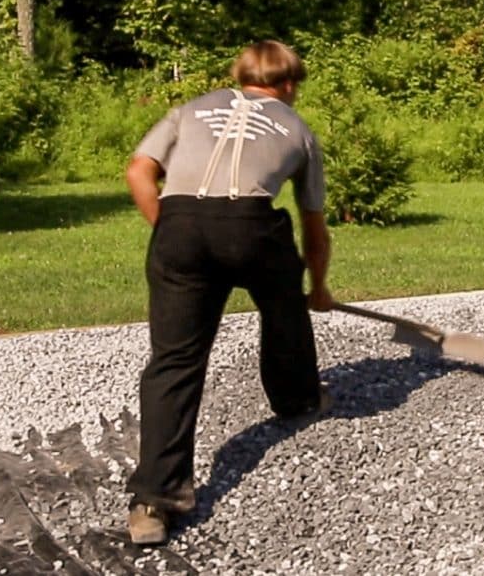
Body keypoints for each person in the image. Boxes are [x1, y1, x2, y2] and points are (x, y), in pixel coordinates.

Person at [123, 40, 335, 546]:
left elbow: (139, 170)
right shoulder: (297, 128)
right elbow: (313, 225)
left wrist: (171, 231)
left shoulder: (188, 109)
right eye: (295, 85)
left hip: (178, 227)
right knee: (283, 302)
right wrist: (317, 286)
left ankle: (153, 502)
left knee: (174, 360)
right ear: (286, 85)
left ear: (242, 77)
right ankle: (297, 397)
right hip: (251, 229)